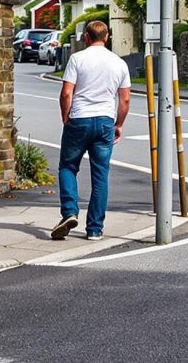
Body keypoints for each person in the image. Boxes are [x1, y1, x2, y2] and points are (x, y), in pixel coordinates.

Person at [52, 19, 131, 241]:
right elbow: (124, 100)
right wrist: (118, 124)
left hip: (79, 120)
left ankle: (69, 212)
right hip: (105, 121)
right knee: (100, 176)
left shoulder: (77, 59)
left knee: (68, 167)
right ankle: (95, 229)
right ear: (106, 37)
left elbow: (67, 93)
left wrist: (65, 116)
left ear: (86, 37)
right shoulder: (119, 63)